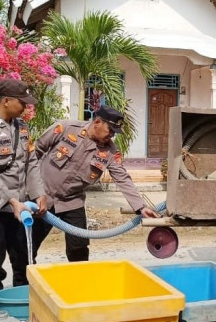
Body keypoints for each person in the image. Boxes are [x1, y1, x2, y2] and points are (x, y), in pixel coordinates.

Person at [31, 105, 159, 262]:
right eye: (110, 130)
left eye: (114, 132)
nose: (112, 135)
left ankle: (81, 284)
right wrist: (31, 189)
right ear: (97, 122)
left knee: (79, 250)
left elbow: (122, 178)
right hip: (41, 197)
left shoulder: (110, 152)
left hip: (72, 202)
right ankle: (25, 283)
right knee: (28, 247)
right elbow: (34, 153)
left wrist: (141, 207)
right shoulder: (66, 128)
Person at [0, 78, 47, 316]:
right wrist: (12, 201)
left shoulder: (21, 128)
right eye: (22, 102)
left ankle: (23, 314)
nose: (26, 107)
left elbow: (31, 163)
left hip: (19, 209)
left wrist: (39, 193)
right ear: (6, 101)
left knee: (24, 263)